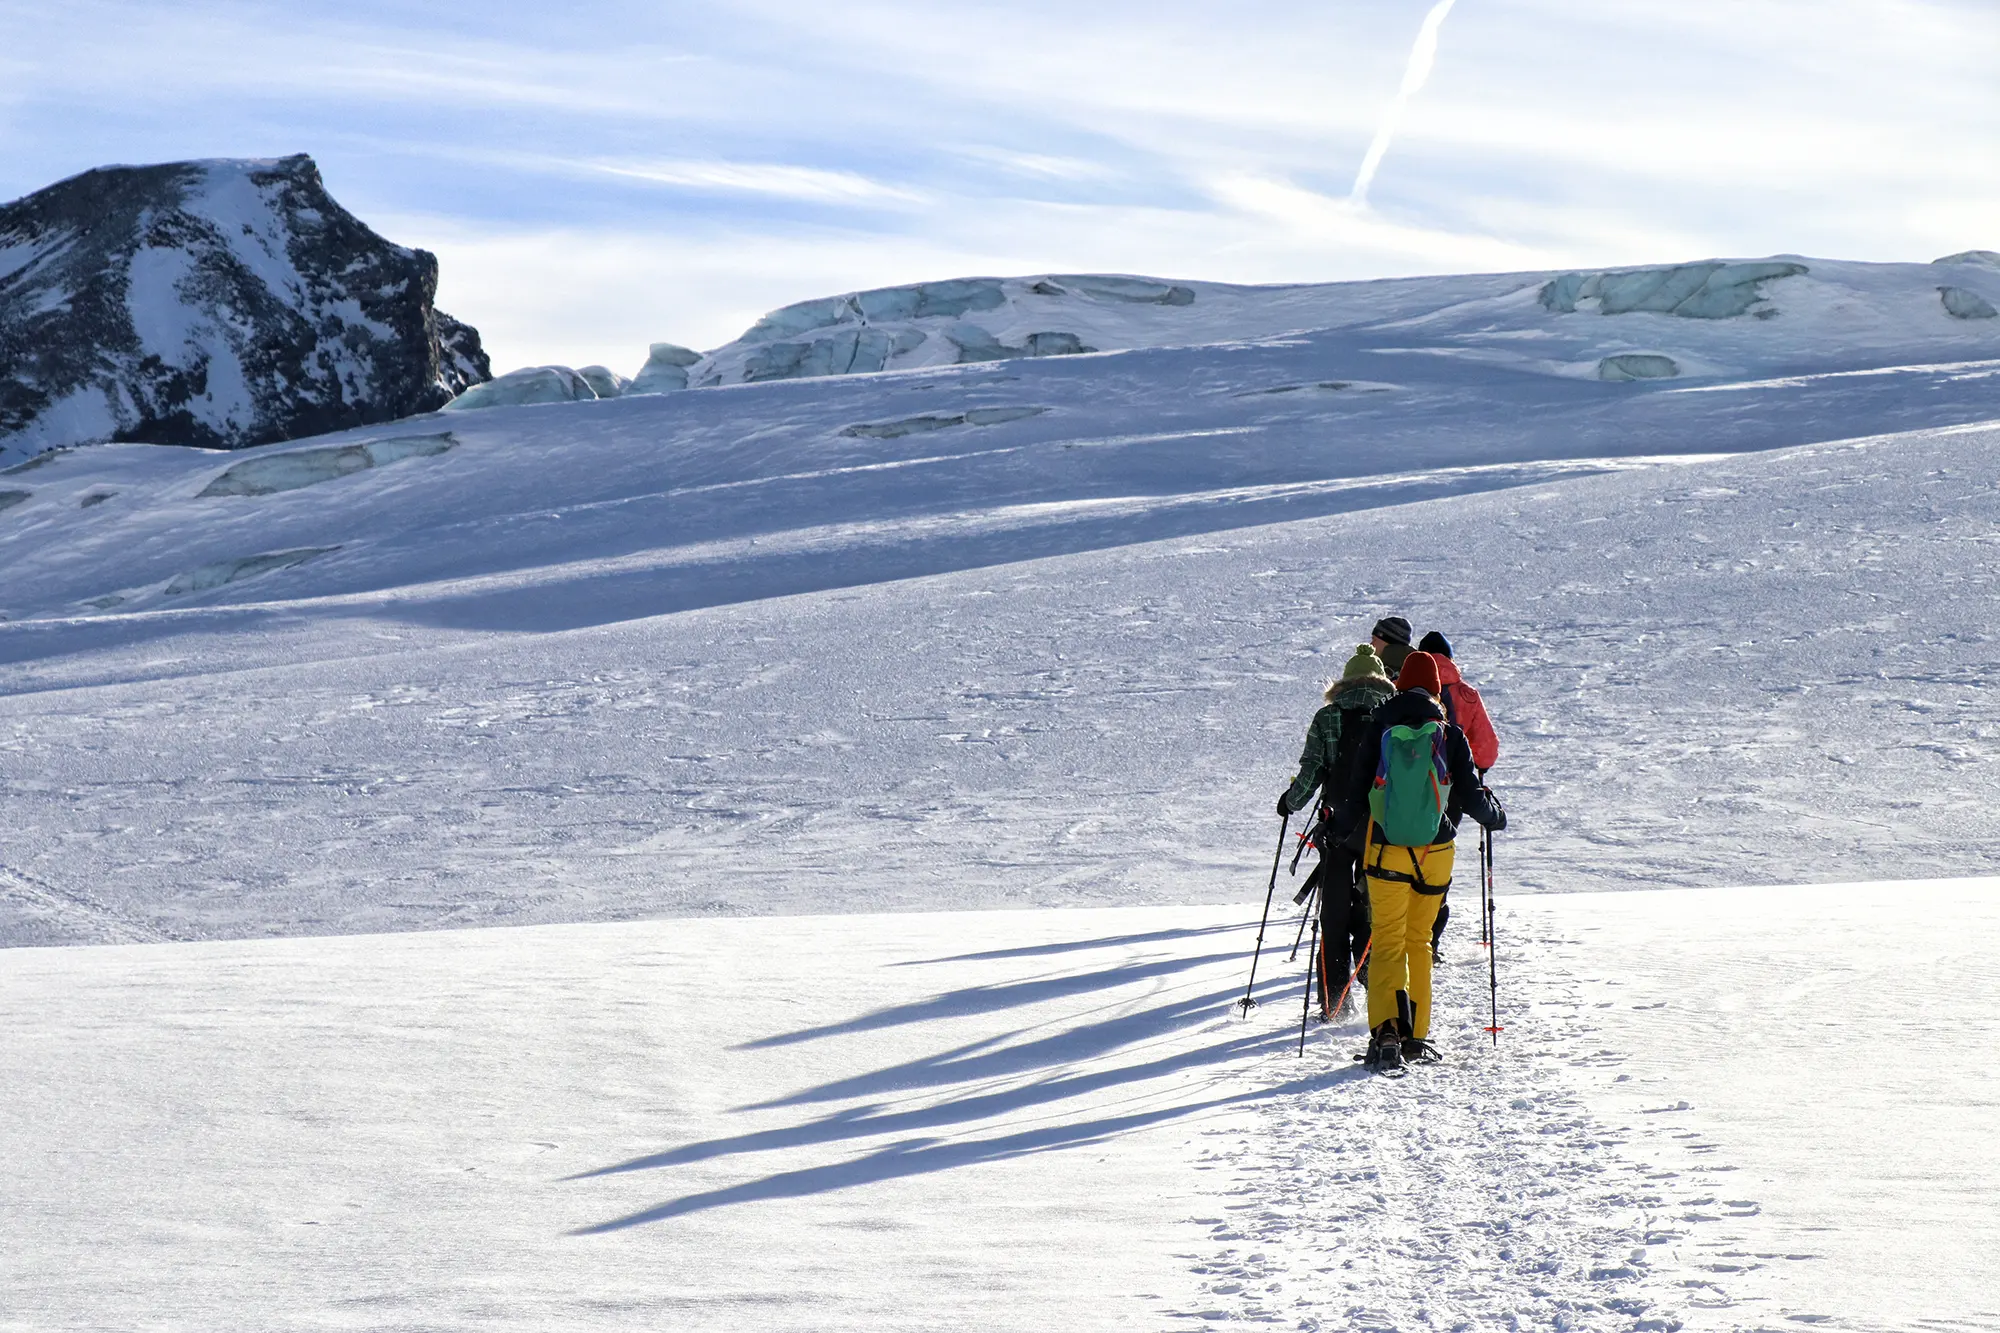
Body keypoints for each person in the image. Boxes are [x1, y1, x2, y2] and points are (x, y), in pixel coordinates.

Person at [1333, 650, 1505, 1071]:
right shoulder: (1449, 733)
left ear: (1398, 685)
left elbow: (1357, 793)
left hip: (1385, 849)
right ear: (1434, 689)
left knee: (1388, 939)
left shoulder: (1380, 726)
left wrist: (1337, 832)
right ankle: (1416, 1036)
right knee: (1419, 942)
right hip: (1435, 852)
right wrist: (1495, 817)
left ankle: (1387, 1032)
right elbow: (1469, 793)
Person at [1276, 645, 1397, 1015]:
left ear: (1344, 683)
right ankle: (1370, 975)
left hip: (1336, 829)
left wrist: (1289, 802)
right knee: (1371, 906)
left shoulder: (1328, 717)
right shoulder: (1393, 716)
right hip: (1381, 829)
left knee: (1332, 915)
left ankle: (1334, 1001)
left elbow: (1312, 770)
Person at [1415, 630, 1500, 963]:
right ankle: (1430, 939)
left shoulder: (1406, 689)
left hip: (1412, 787)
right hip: (1454, 791)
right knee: (1439, 854)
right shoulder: (1466, 695)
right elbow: (1487, 749)